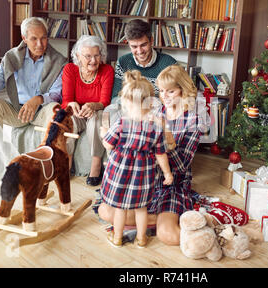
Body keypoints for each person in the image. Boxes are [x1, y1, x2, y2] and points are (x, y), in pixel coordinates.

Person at [98, 64, 207, 246]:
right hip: (143, 180)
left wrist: (167, 141)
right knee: (105, 211)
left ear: (183, 91)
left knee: (168, 236)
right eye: (161, 91)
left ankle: (159, 223)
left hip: (172, 184)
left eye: (170, 91)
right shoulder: (156, 112)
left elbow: (182, 167)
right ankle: (152, 222)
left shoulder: (193, 121)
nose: (164, 96)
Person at [0, 17, 67, 180]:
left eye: (43, 38)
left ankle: (49, 164)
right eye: (34, 39)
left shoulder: (59, 60)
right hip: (17, 111)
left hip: (42, 110)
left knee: (56, 109)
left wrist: (38, 99)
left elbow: (57, 92)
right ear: (24, 39)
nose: (40, 44)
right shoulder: (11, 57)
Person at [99, 70, 173, 248]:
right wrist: (167, 174)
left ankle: (117, 237)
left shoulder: (121, 123)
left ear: (125, 100)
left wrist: (103, 134)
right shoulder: (155, 127)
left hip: (120, 173)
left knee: (120, 208)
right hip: (143, 175)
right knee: (141, 208)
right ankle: (141, 239)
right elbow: (160, 154)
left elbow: (108, 145)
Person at [61, 35, 114, 185]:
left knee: (97, 120)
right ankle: (68, 164)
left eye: (97, 55)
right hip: (77, 111)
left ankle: (95, 166)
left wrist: (93, 105)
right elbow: (66, 100)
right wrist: (72, 105)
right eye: (88, 56)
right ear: (78, 56)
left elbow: (105, 101)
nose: (93, 60)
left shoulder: (107, 70)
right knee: (67, 120)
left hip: (95, 111)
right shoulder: (70, 69)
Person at [111, 19, 177, 99]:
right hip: (130, 109)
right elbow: (115, 97)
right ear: (128, 44)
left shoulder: (169, 64)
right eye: (134, 46)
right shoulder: (123, 62)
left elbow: (179, 98)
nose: (140, 51)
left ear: (151, 41)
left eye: (143, 45)